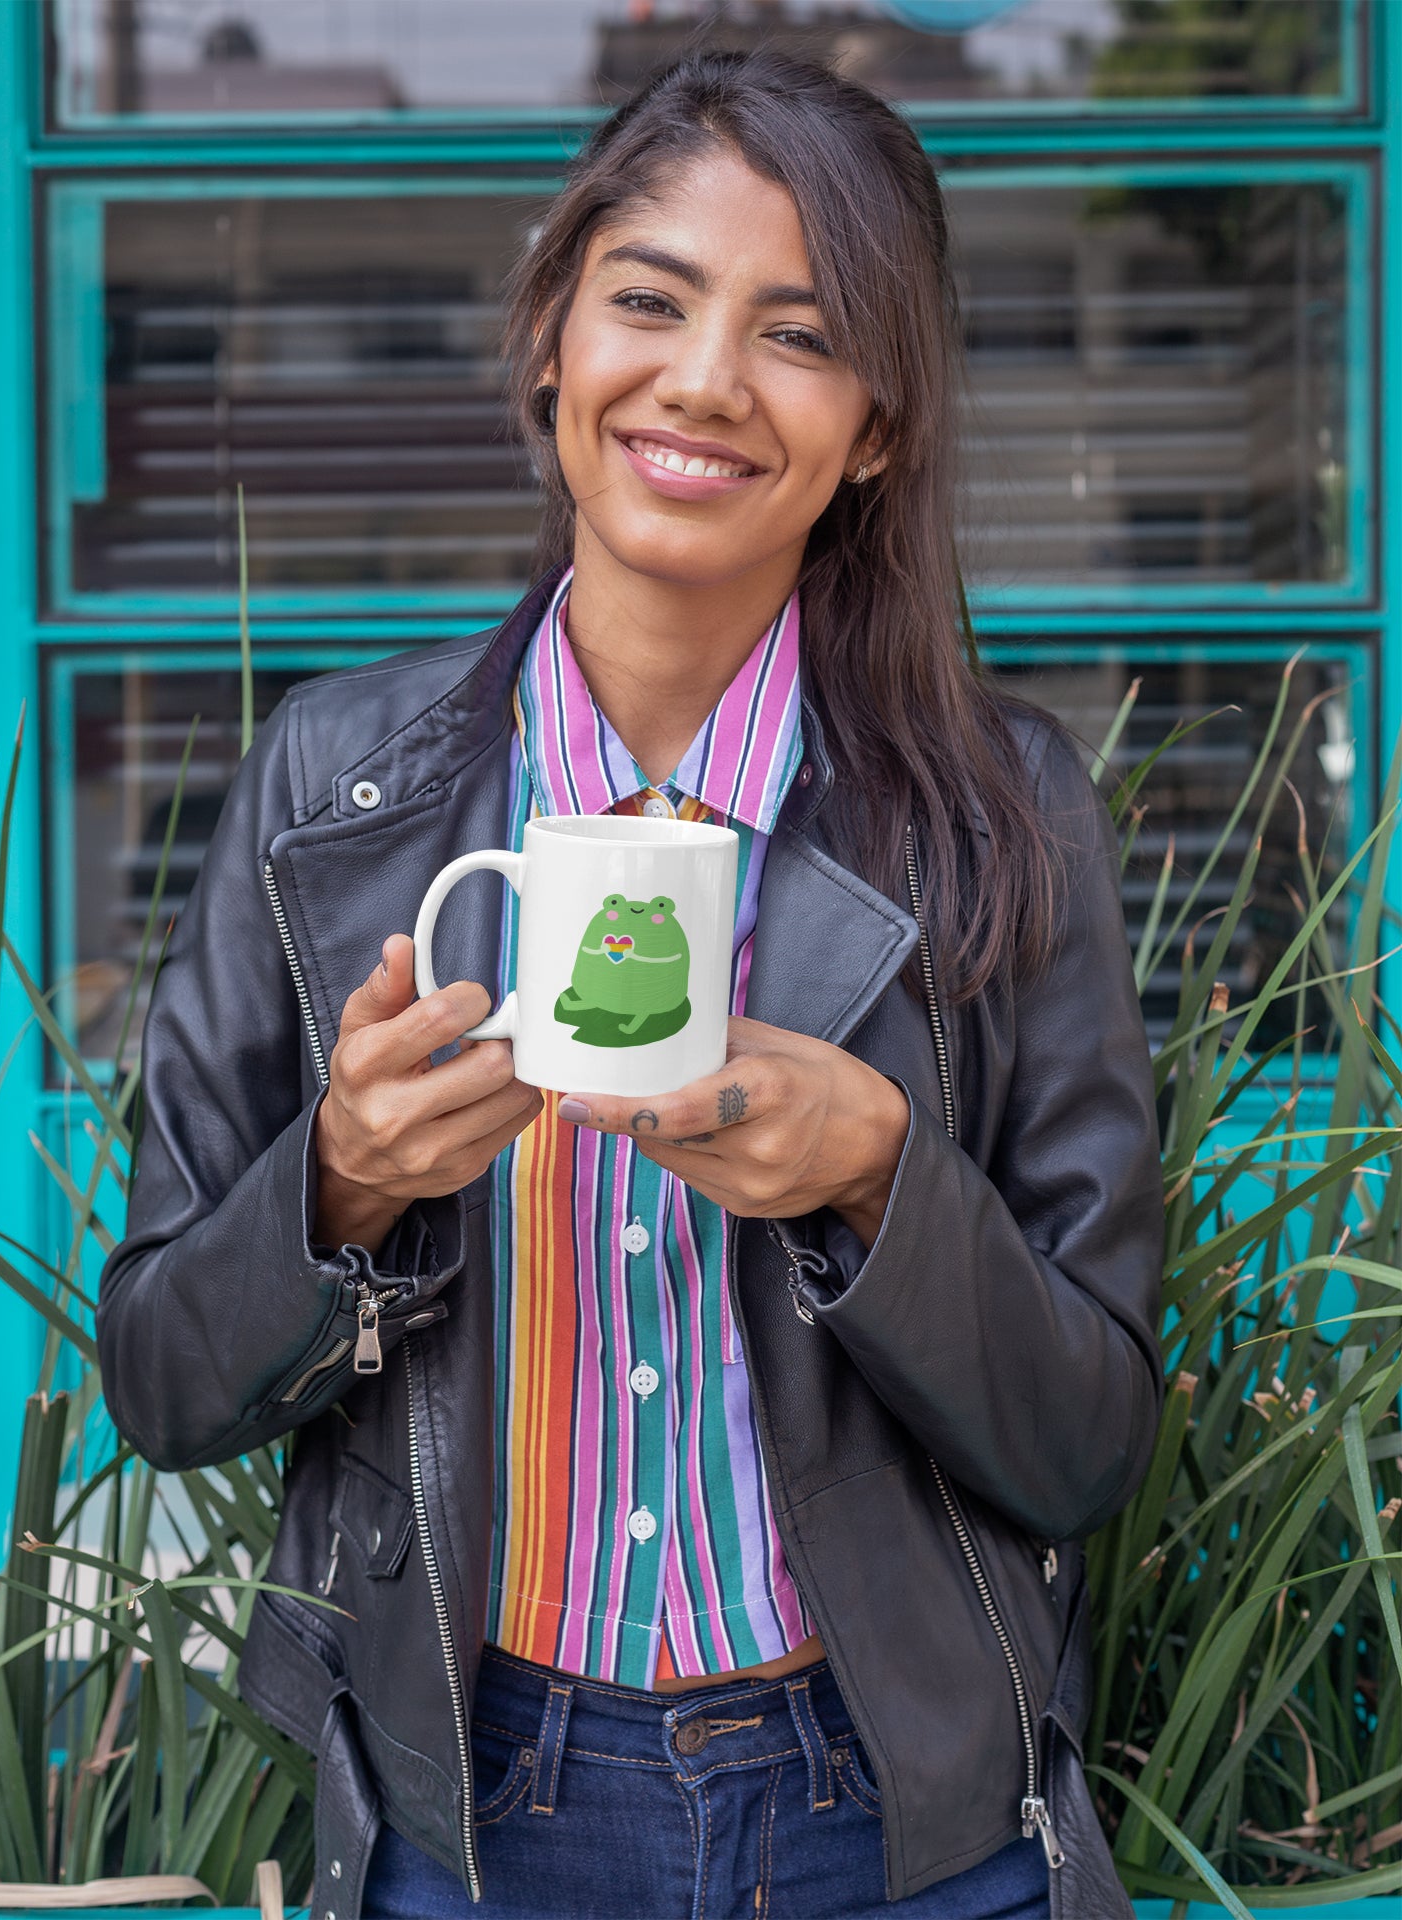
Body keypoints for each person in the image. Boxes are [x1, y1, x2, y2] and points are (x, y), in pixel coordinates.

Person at [96, 47, 1164, 1920]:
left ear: (879, 429)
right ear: (552, 340)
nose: (701, 381)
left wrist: (877, 1182)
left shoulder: (1002, 819)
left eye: (800, 333)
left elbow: (1084, 1445)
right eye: (650, 299)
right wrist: (344, 1183)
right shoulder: (330, 799)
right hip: (480, 1813)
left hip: (903, 1815)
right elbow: (168, 1381)